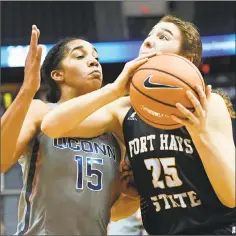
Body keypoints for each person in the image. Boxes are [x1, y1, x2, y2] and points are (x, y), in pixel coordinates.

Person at [41, 15, 236, 234]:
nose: (149, 41)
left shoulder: (209, 104)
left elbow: (231, 196)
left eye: (163, 37)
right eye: (150, 35)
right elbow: (51, 126)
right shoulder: (123, 108)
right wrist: (114, 89)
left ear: (186, 59)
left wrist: (200, 135)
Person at [1, 25, 147, 235]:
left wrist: (133, 196)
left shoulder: (113, 129)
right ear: (57, 74)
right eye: (79, 56)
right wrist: (26, 91)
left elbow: (112, 212)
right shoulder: (41, 111)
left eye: (96, 58)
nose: (94, 61)